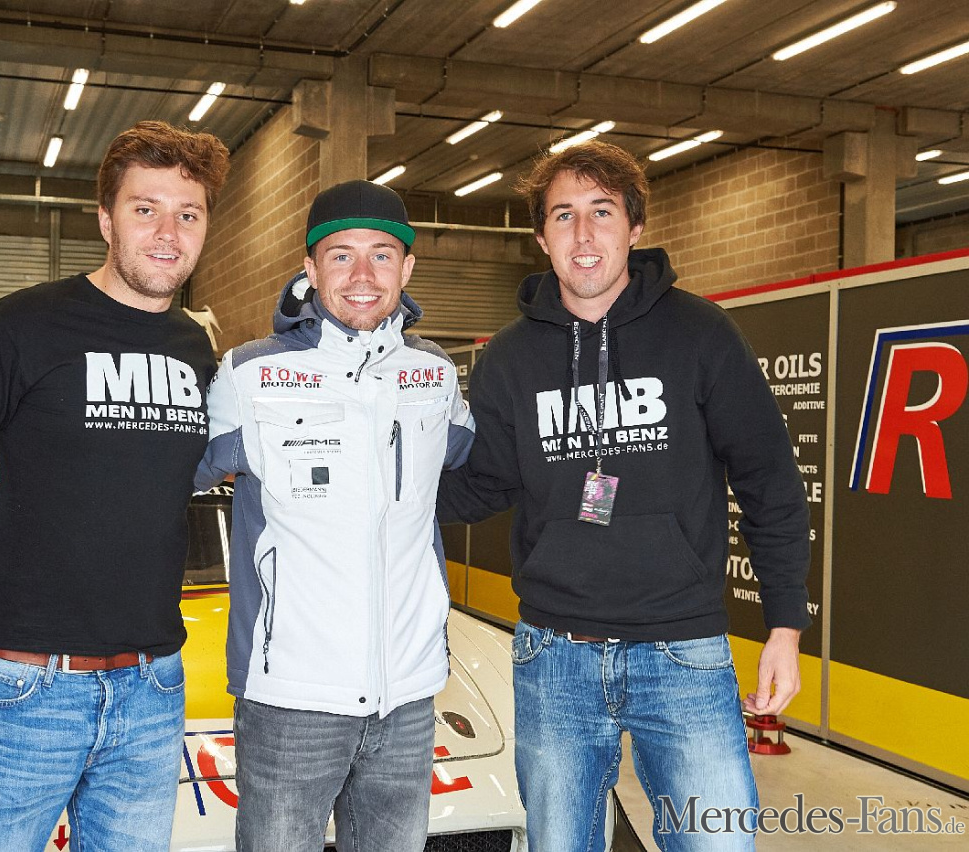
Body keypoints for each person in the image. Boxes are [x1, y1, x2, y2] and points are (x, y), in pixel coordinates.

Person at [437, 141, 811, 851]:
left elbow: (768, 479)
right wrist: (366, 487)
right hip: (555, 657)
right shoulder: (511, 358)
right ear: (541, 237)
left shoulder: (701, 333)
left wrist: (785, 628)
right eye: (564, 215)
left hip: (684, 652)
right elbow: (485, 482)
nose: (583, 234)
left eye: (602, 212)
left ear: (635, 228)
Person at [0, 120, 229, 850]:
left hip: (154, 687)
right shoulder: (24, 325)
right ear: (105, 219)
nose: (168, 233)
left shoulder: (196, 348)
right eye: (145, 209)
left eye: (188, 214)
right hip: (22, 688)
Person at [195, 180, 474, 852]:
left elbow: (473, 461)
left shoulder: (434, 374)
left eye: (382, 255)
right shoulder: (248, 375)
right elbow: (168, 474)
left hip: (408, 696)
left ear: (407, 268)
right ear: (311, 268)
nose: (362, 275)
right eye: (341, 256)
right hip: (290, 696)